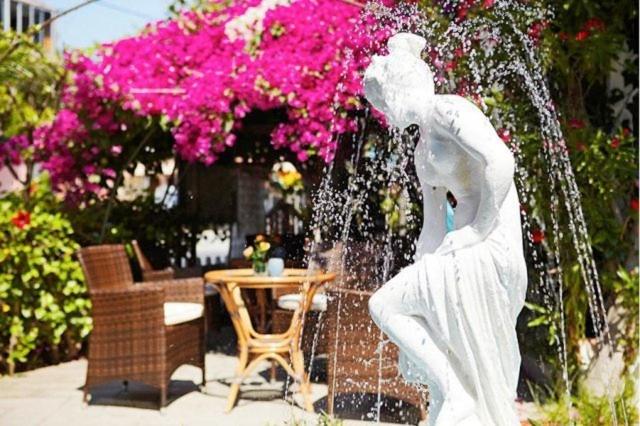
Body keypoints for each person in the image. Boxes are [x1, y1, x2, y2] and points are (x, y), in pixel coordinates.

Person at [364, 33, 527, 426]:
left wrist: (478, 230)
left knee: (383, 304)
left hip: (489, 241)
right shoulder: (422, 150)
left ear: (397, 89)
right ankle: (453, 394)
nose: (383, 112)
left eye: (382, 101)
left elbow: (501, 162)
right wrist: (421, 266)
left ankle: (456, 394)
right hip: (462, 247)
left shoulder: (448, 109)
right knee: (404, 308)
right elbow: (433, 225)